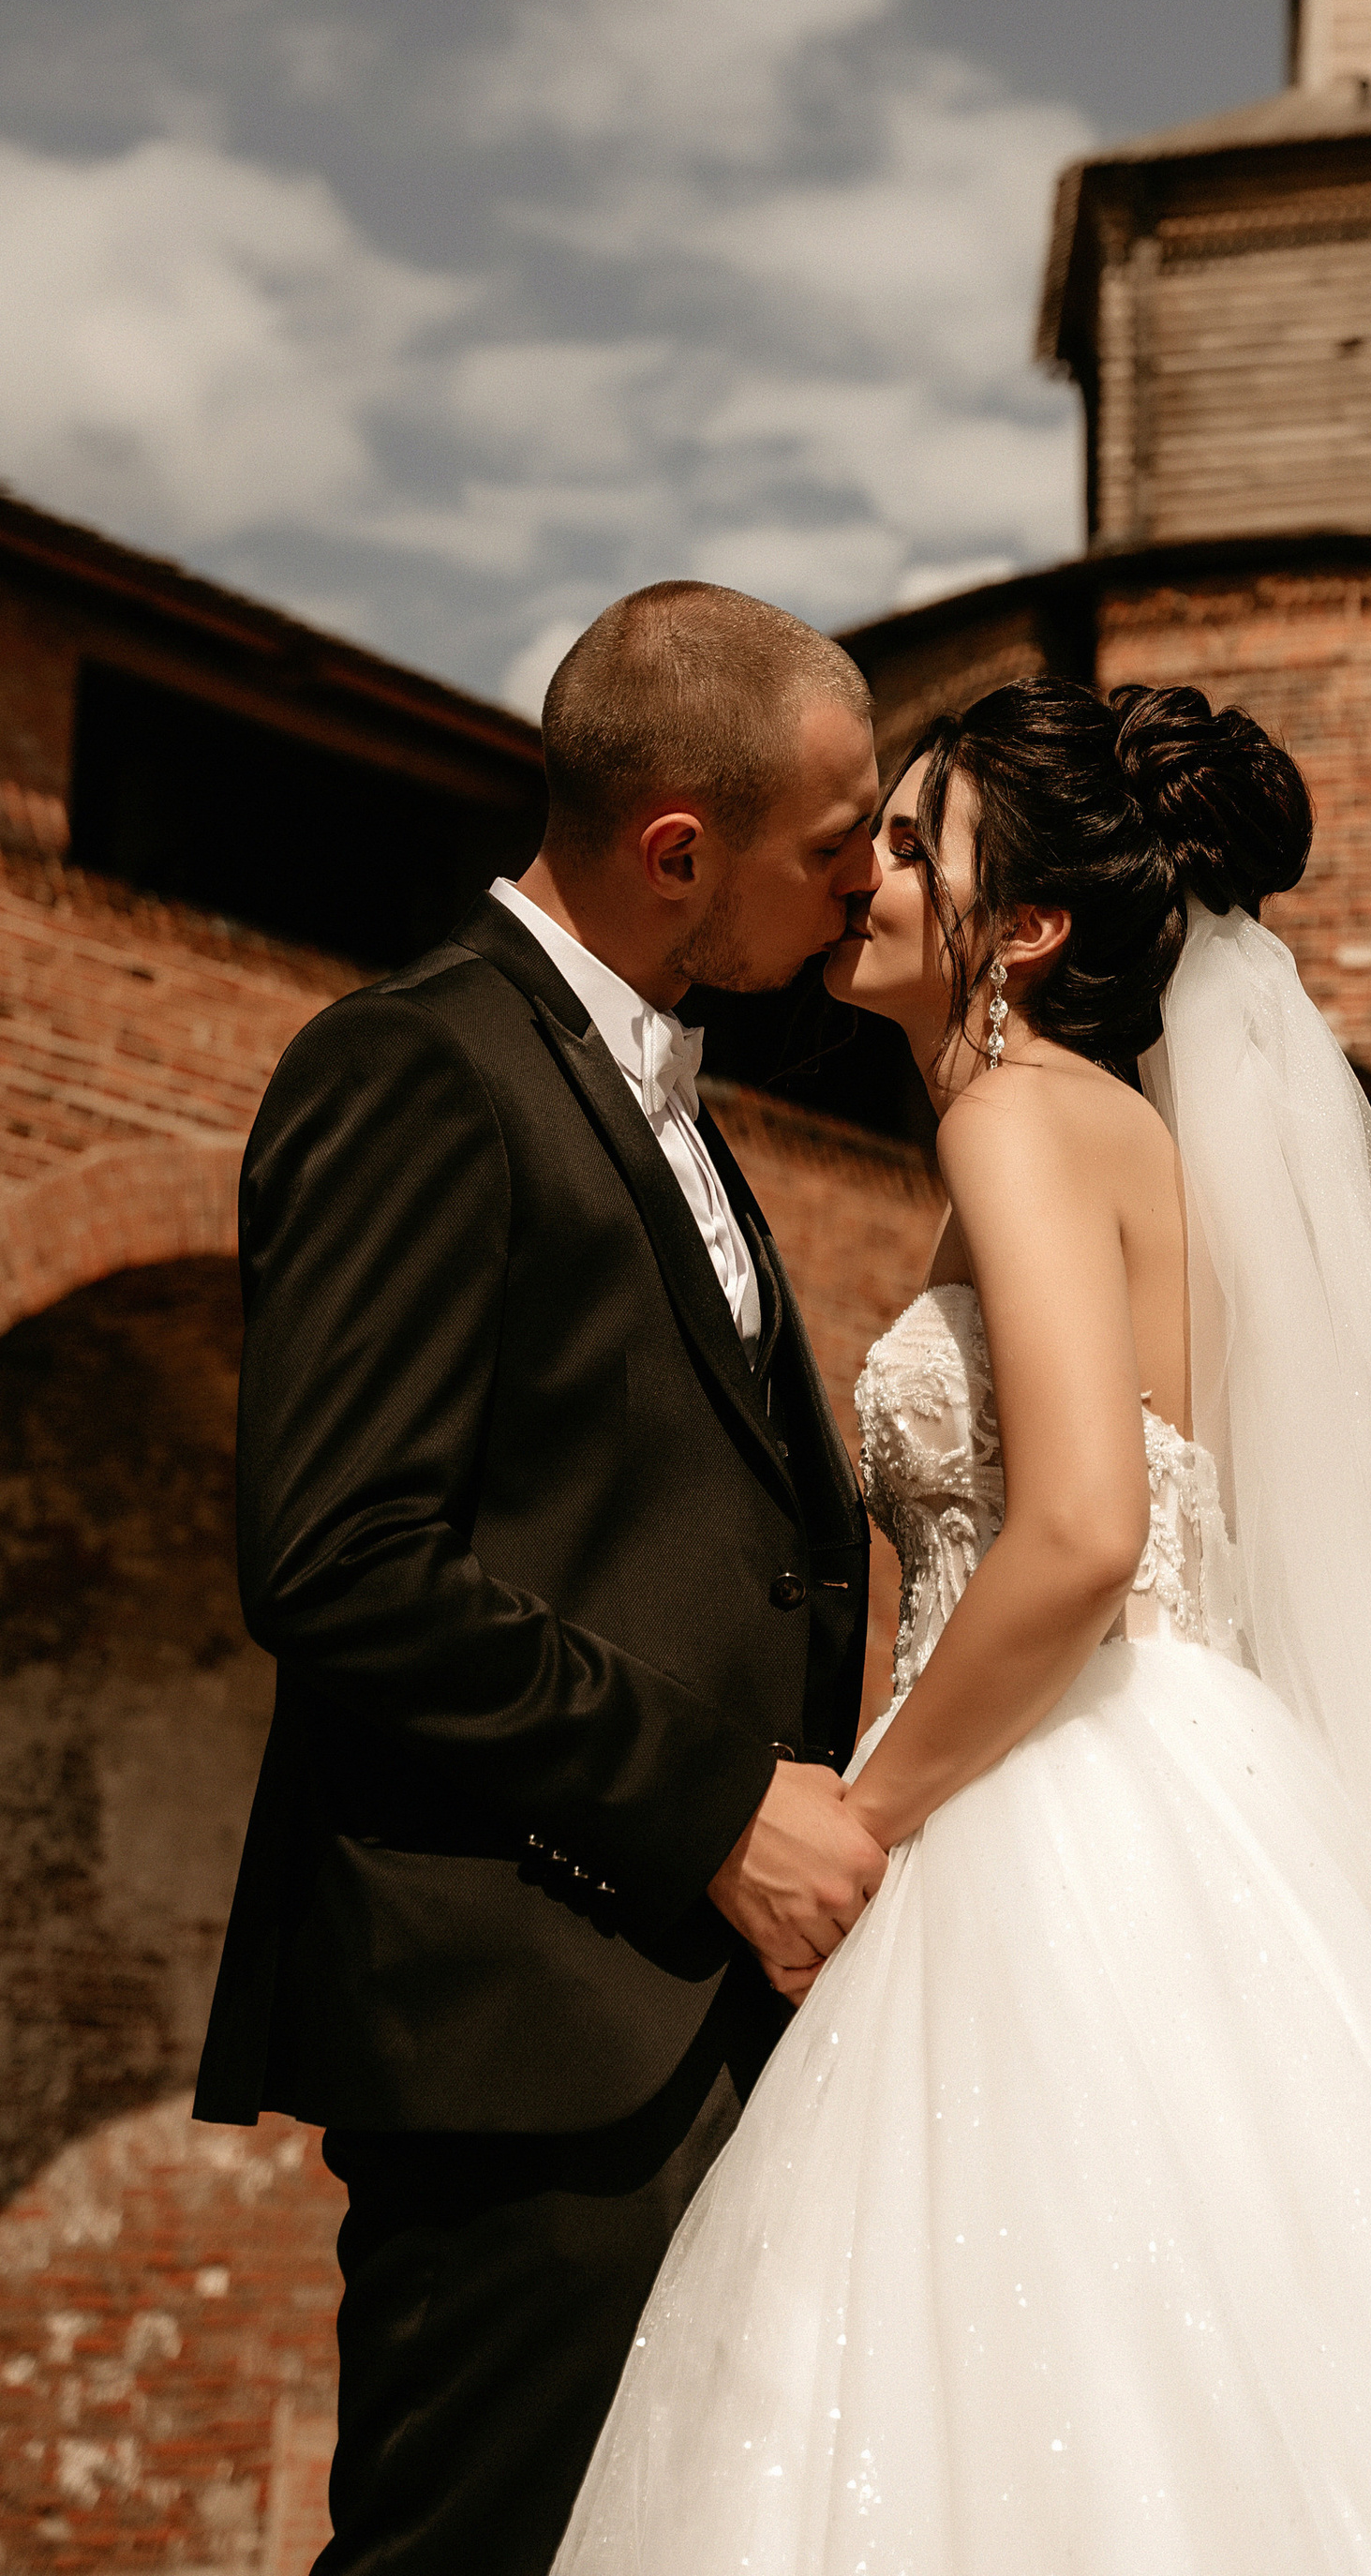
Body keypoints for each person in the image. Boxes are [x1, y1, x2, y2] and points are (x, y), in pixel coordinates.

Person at [556, 676, 1371, 2575]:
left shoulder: (1020, 1113)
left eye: (911, 842)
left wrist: (867, 1813)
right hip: (1162, 1784)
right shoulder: (1096, 1128)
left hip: (1054, 1800)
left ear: (1024, 929)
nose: (860, 868)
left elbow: (1083, 1536)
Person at [193, 581, 893, 2576]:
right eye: (831, 842)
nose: (862, 884)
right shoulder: (415, 1067)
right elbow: (339, 1561)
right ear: (680, 847)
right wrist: (712, 1804)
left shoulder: (676, 1097)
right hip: (527, 2030)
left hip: (698, 2009)